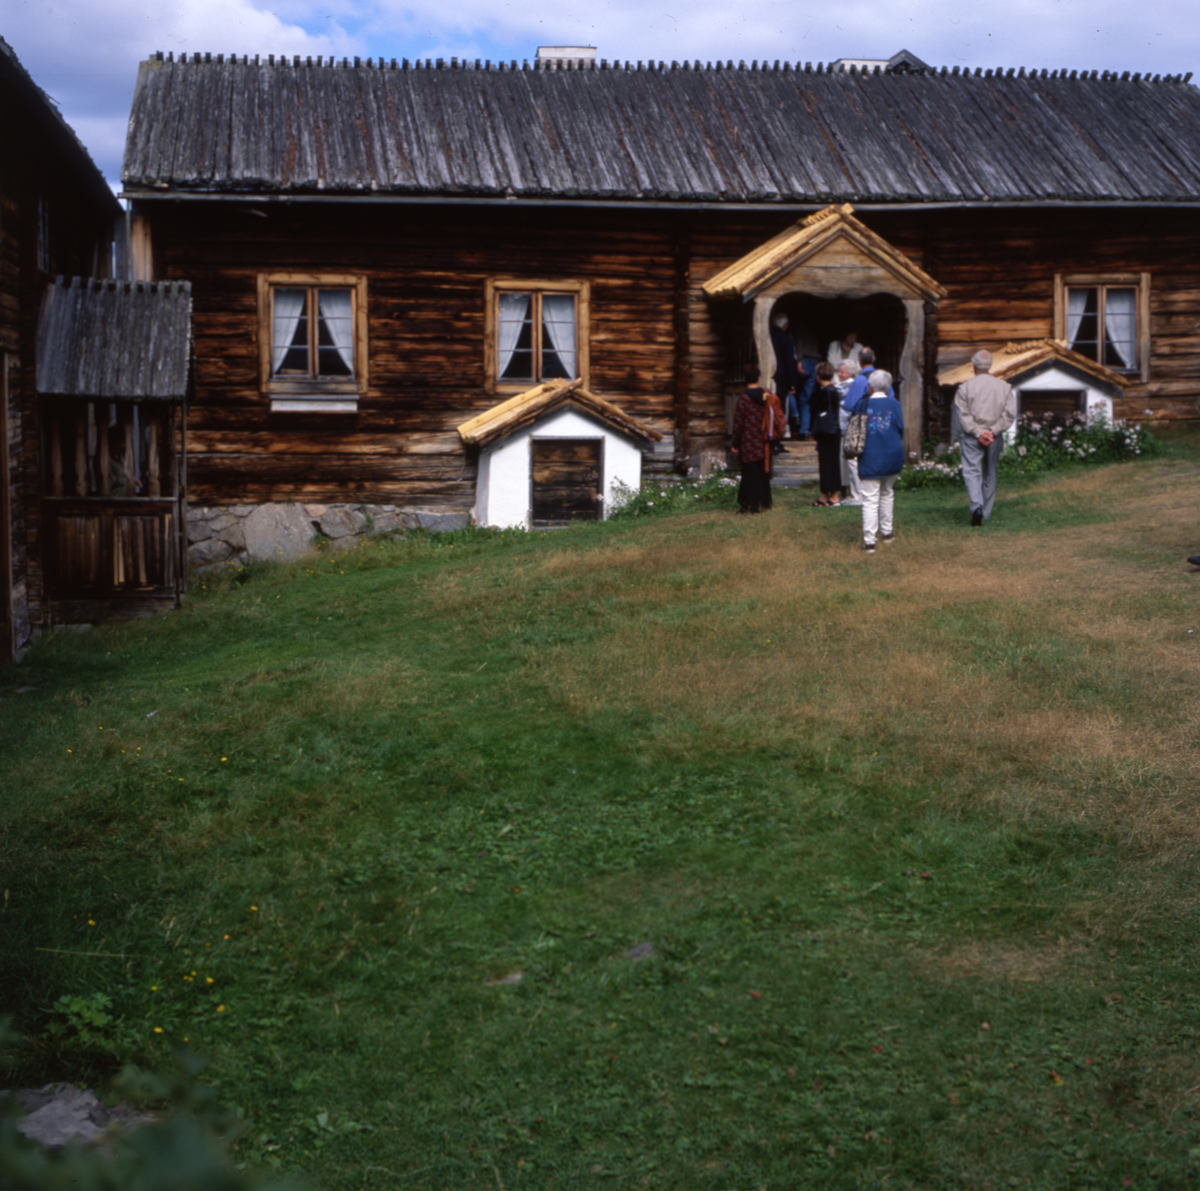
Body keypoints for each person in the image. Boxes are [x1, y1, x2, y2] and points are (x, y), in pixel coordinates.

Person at [954, 348, 1016, 526]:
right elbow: (1009, 415)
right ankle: (986, 513)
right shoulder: (1004, 387)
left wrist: (978, 432)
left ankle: (977, 507)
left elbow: (963, 415)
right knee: (990, 471)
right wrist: (993, 431)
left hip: (972, 437)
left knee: (972, 471)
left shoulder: (964, 388)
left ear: (973, 365)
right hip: (994, 438)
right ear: (990, 366)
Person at [857, 370, 904, 553]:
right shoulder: (894, 404)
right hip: (892, 453)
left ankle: (870, 541)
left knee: (870, 499)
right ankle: (887, 533)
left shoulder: (862, 404)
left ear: (871, 386)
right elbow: (900, 429)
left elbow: (856, 430)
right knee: (887, 493)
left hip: (870, 455)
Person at [730, 365, 776, 514]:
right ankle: (763, 502)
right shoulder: (766, 394)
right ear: (758, 378)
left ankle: (749, 504)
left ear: (745, 379)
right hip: (764, 440)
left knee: (749, 473)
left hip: (748, 441)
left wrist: (735, 442)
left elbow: (738, 423)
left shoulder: (744, 398)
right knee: (762, 471)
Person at [809, 361, 843, 507]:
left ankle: (833, 495)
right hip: (833, 430)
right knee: (831, 463)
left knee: (827, 464)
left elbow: (815, 410)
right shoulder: (833, 390)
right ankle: (826, 494)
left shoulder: (823, 392)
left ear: (819, 376)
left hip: (826, 431)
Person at [836, 358, 865, 506]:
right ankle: (853, 493)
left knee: (852, 461)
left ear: (850, 373)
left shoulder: (847, 386)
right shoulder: (850, 385)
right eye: (838, 371)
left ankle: (857, 495)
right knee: (848, 462)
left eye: (842, 372)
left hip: (848, 427)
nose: (839, 374)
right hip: (848, 427)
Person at [770, 314, 799, 440]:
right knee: (779, 405)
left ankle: (770, 432)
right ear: (785, 326)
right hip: (781, 376)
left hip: (767, 374)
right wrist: (792, 384)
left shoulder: (767, 335)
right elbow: (789, 362)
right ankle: (779, 434)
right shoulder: (786, 338)